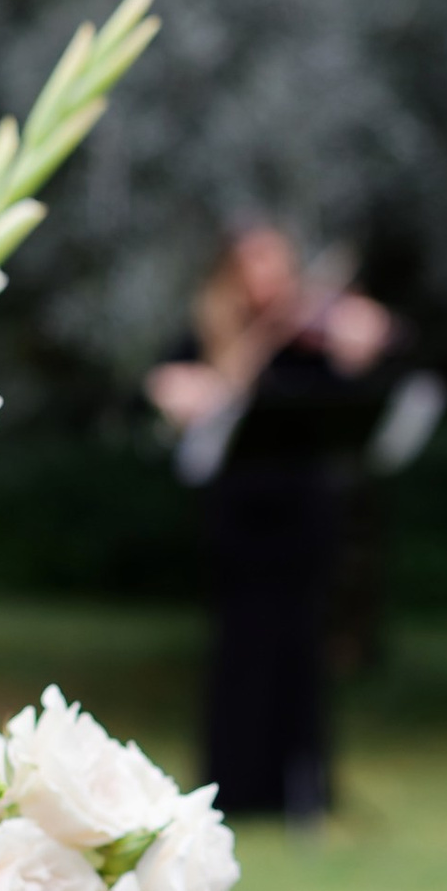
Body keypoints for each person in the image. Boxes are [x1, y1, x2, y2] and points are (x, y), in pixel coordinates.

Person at [147, 225, 398, 823]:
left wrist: (362, 339)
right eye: (253, 268)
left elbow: (369, 366)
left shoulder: (309, 341)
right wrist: (240, 360)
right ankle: (237, 785)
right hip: (239, 518)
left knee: (302, 647)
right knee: (240, 650)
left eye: (275, 266)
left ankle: (303, 785)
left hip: (304, 514)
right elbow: (172, 396)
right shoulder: (209, 338)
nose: (268, 281)